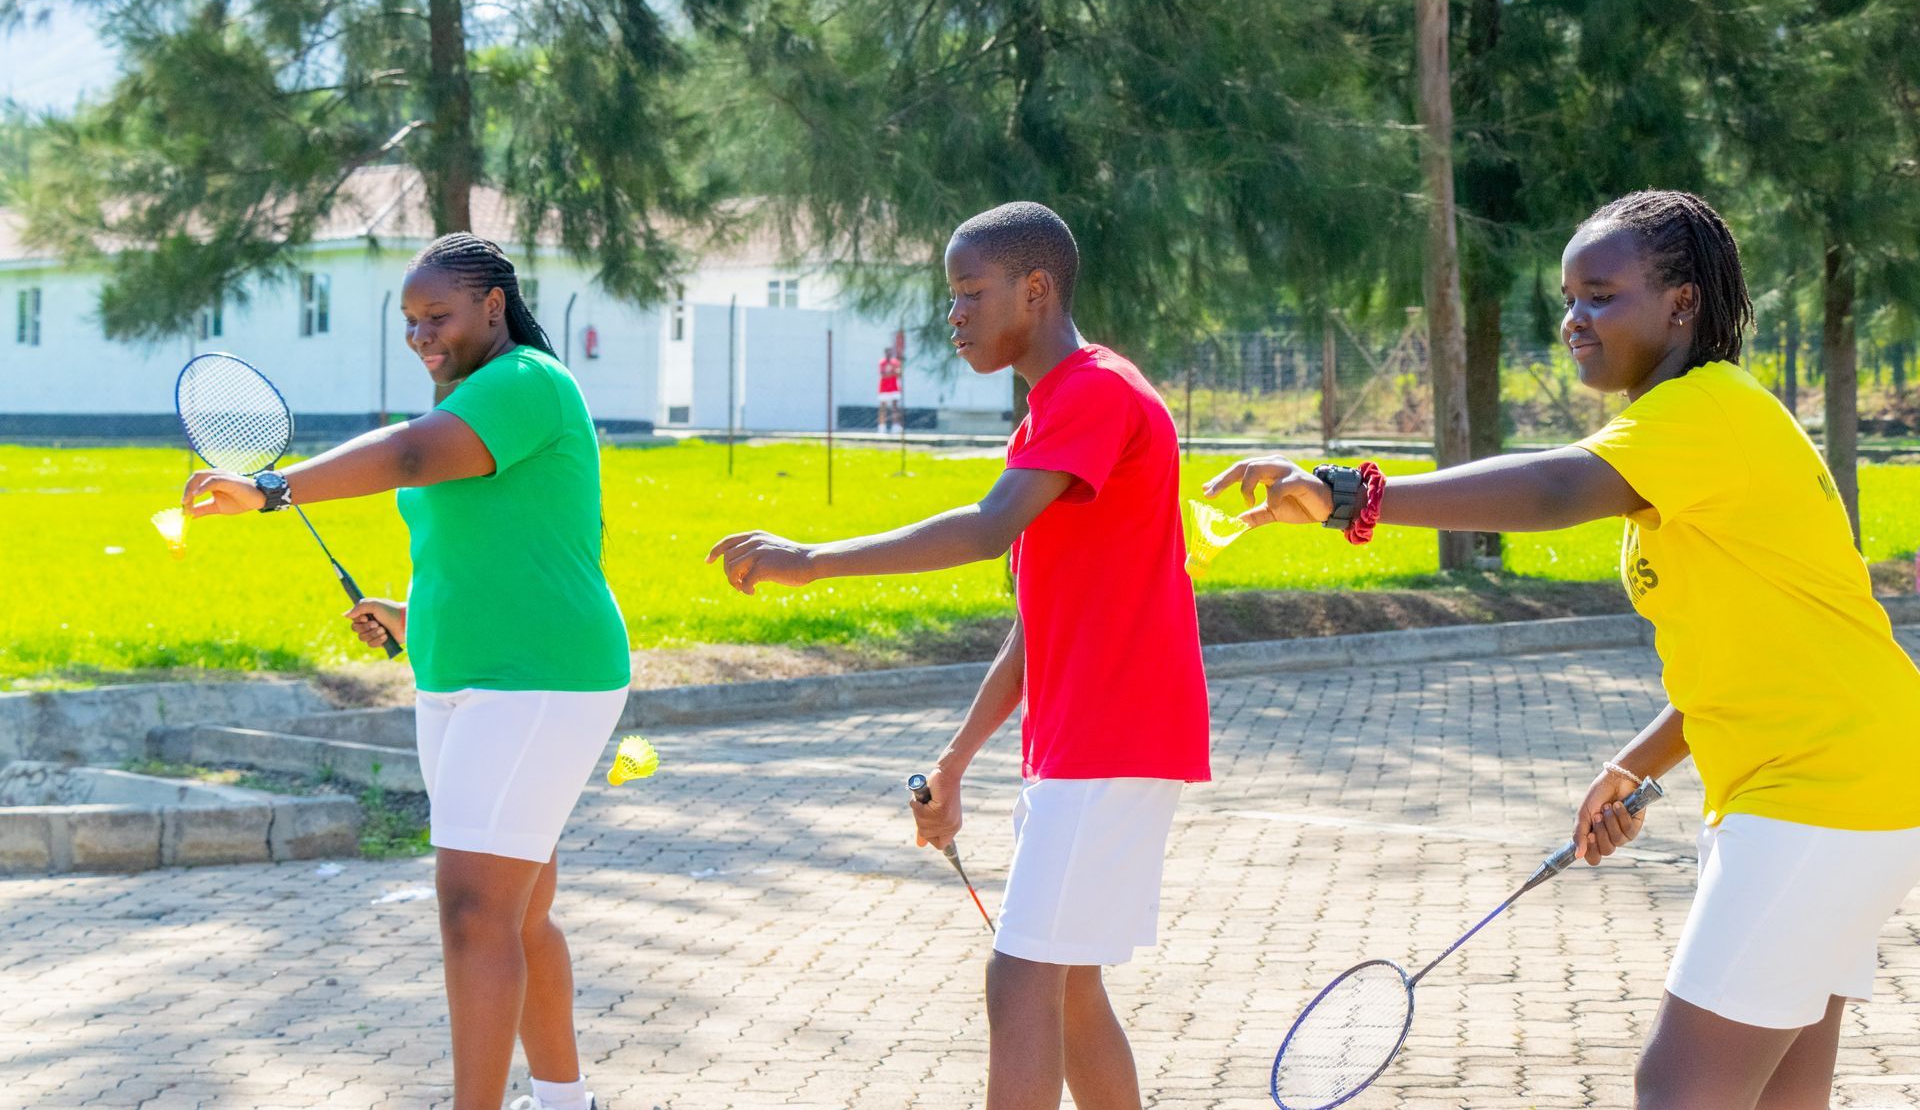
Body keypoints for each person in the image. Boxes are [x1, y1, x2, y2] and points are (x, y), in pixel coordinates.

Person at [1205, 190, 1920, 1110]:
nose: (1575, 319)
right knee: (1782, 1093)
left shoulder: (1706, 410)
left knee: (1678, 1089)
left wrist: (1352, 494)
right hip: (1853, 778)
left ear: (1682, 303)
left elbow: (1550, 489)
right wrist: (1633, 764)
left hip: (1825, 792)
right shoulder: (1698, 421)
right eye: (1570, 299)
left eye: (1602, 295)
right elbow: (1750, 652)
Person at [708, 201, 1211, 1110]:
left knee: (1020, 982)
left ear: (1036, 288)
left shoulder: (1095, 392)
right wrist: (958, 758)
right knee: (1068, 987)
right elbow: (1038, 622)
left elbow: (987, 531)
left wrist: (812, 561)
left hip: (1115, 736)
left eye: (971, 294)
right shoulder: (1052, 416)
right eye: (951, 297)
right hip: (1089, 742)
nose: (955, 316)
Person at [183, 233, 628, 1110]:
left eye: (440, 316)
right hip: (462, 675)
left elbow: (415, 455)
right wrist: (408, 613)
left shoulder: (528, 382)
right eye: (410, 322)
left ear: (493, 307)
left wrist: (275, 489)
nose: (423, 336)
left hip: (541, 680)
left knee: (472, 911)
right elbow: (487, 549)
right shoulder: (472, 396)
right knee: (517, 912)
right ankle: (566, 1105)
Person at [878, 344, 904, 433]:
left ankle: (895, 427)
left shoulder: (896, 362)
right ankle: (882, 427)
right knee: (883, 408)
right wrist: (893, 372)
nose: (889, 354)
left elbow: (899, 373)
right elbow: (883, 374)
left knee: (895, 407)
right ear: (885, 353)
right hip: (884, 388)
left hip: (894, 388)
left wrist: (891, 372)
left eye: (890, 352)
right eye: (887, 352)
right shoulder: (882, 362)